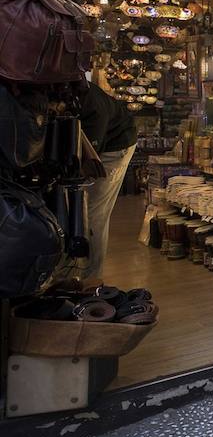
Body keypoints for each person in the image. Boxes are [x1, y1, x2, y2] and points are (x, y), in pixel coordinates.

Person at [79, 70, 138, 281]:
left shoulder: (91, 103)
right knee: (83, 210)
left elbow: (90, 155)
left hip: (114, 147)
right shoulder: (65, 93)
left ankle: (90, 277)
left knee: (94, 212)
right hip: (101, 142)